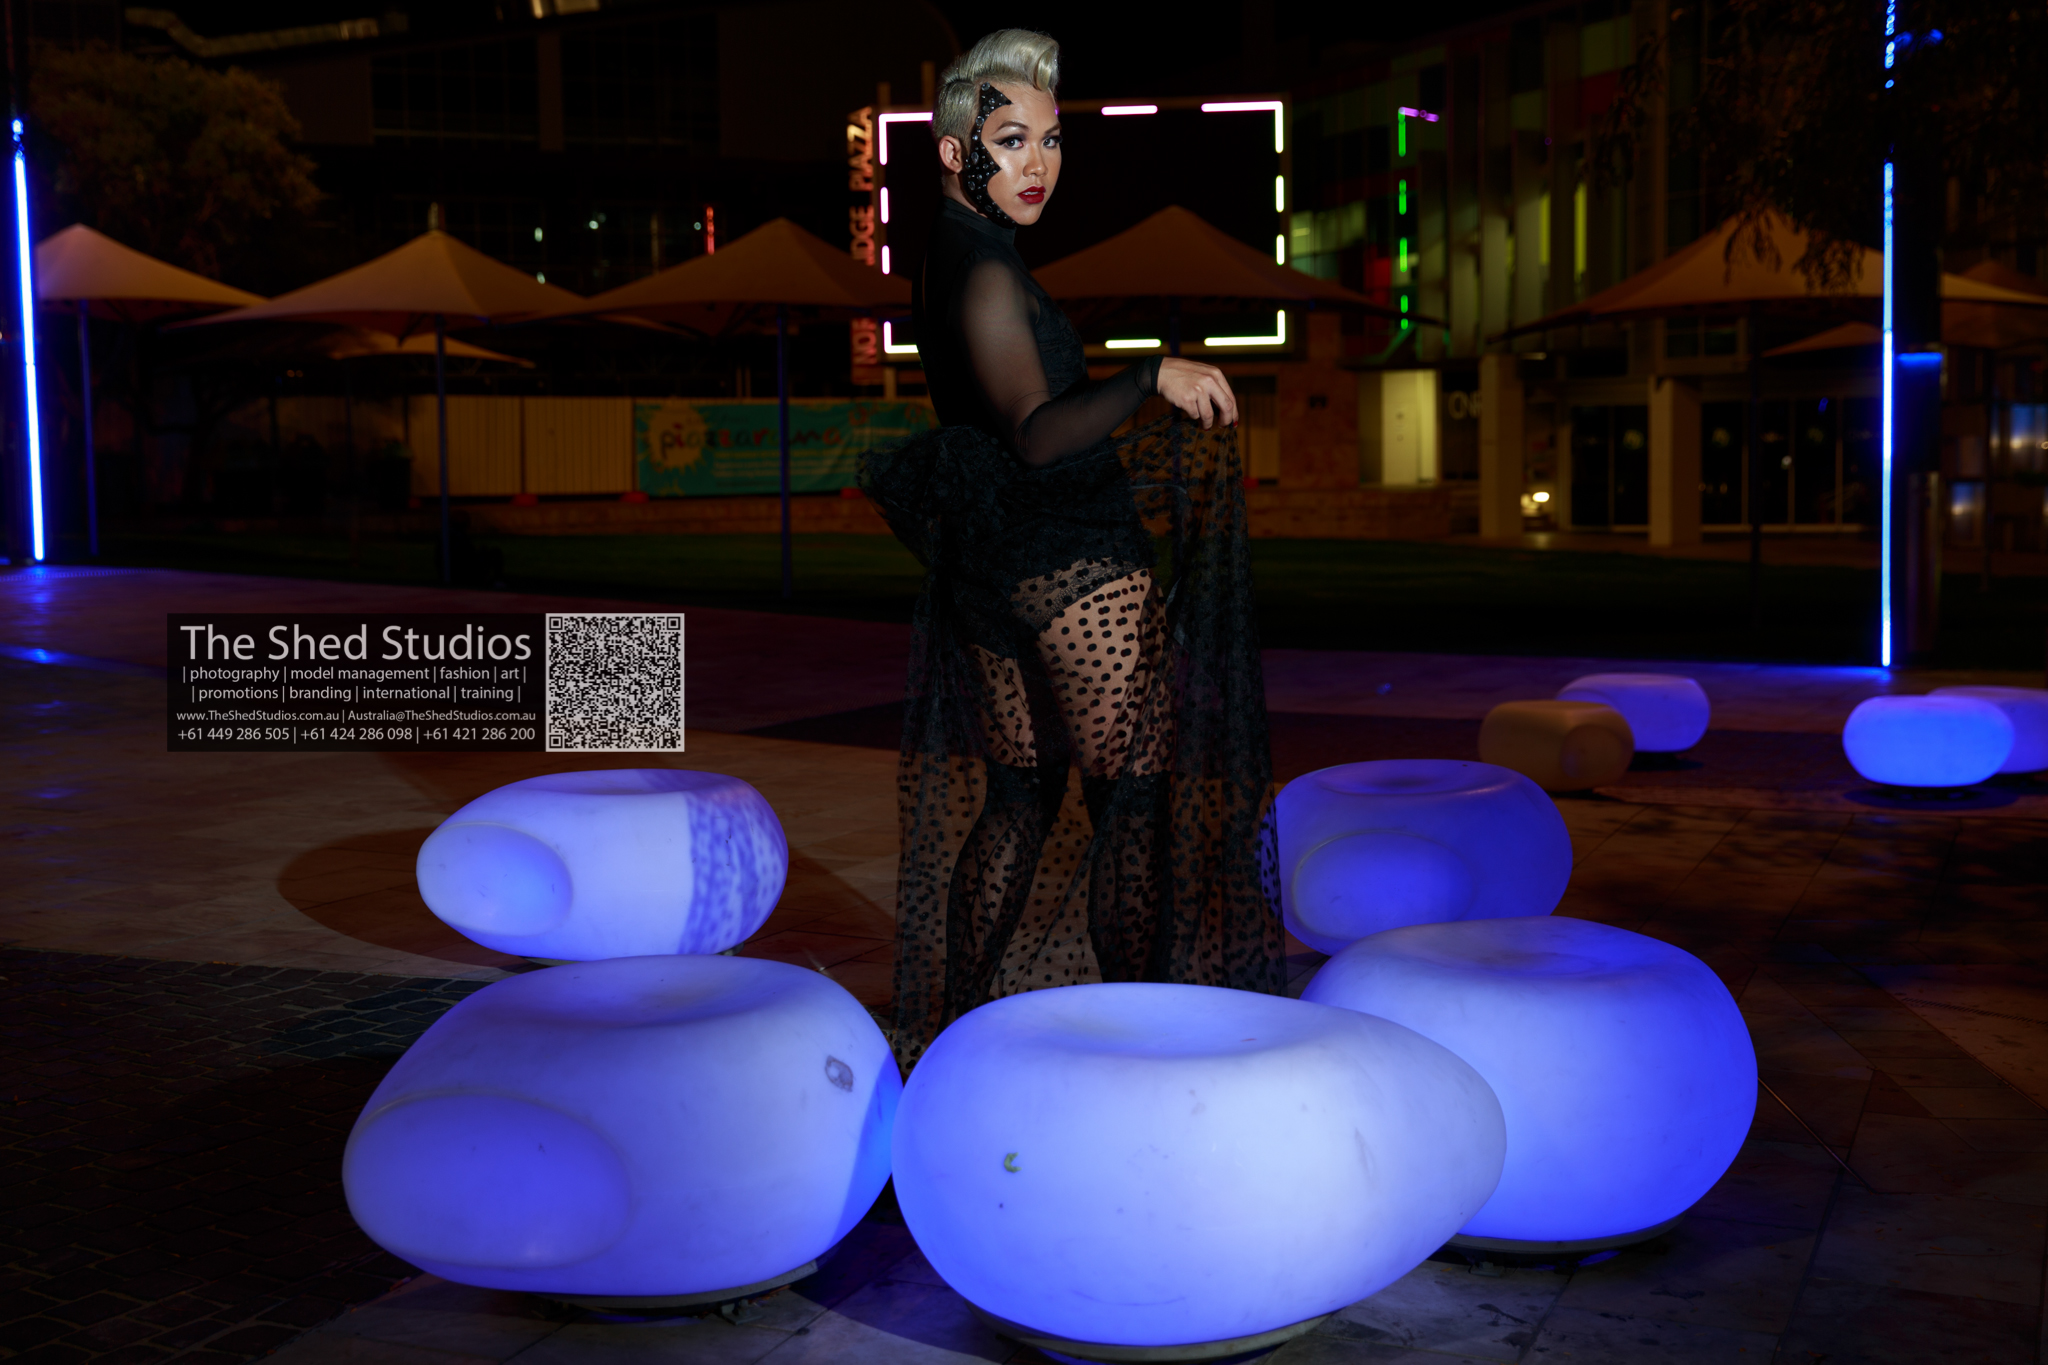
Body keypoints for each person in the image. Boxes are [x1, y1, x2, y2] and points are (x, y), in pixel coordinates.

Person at [861, 28, 1284, 1068]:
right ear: (955, 149)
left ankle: (952, 1032)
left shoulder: (956, 253)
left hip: (997, 571)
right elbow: (1037, 434)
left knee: (1022, 796)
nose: (1038, 165)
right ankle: (1140, 1050)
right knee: (1130, 805)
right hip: (1073, 569)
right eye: (1010, 141)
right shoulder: (984, 273)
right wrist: (1150, 375)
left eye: (1050, 140)